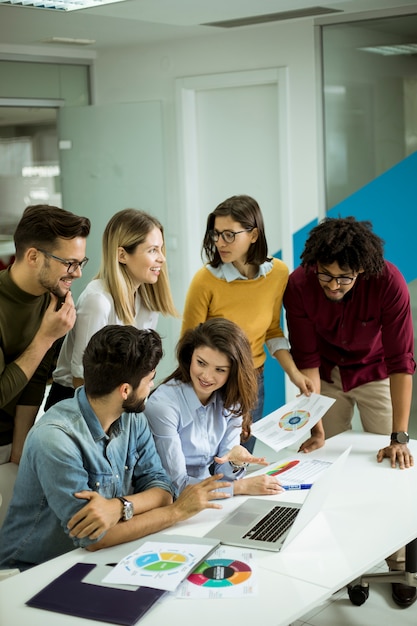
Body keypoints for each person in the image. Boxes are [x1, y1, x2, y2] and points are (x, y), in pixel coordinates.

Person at [0, 325, 231, 571]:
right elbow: (94, 538)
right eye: (150, 380)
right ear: (125, 390)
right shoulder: (55, 440)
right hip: (30, 571)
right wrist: (178, 511)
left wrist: (118, 507)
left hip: (94, 559)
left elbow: (163, 490)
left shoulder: (133, 418)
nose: (151, 388)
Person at [283, 215, 416, 607]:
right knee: (331, 469)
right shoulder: (301, 283)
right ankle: (352, 567)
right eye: (327, 276)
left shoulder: (387, 281)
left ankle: (402, 562)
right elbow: (305, 360)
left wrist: (399, 436)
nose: (334, 285)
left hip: (376, 370)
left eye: (345, 278)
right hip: (324, 372)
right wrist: (316, 428)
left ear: (362, 270)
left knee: (392, 469)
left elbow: (402, 361)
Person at [181, 194, 316, 453]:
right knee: (210, 461)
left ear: (253, 235)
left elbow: (273, 331)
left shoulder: (277, 274)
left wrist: (295, 375)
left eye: (229, 234)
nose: (220, 242)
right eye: (216, 234)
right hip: (212, 382)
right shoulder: (205, 281)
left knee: (240, 459)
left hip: (254, 381)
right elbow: (189, 345)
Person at [45, 208, 178, 408]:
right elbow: (81, 379)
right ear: (122, 255)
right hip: (75, 402)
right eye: (152, 250)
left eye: (161, 249)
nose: (162, 258)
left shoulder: (148, 302)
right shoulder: (97, 300)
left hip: (116, 401)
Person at [145, 318, 284, 497]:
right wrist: (241, 488)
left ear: (233, 372)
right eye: (201, 363)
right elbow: (176, 485)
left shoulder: (231, 400)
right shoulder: (163, 406)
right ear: (190, 357)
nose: (206, 376)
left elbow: (224, 473)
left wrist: (235, 462)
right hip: (170, 502)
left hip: (208, 498)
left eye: (220, 370)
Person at [0, 204, 90, 465]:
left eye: (80, 262)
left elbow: (36, 379)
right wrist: (45, 338)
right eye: (69, 263)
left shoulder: (53, 301)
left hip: (13, 441)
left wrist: (21, 451)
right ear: (33, 257)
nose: (78, 273)